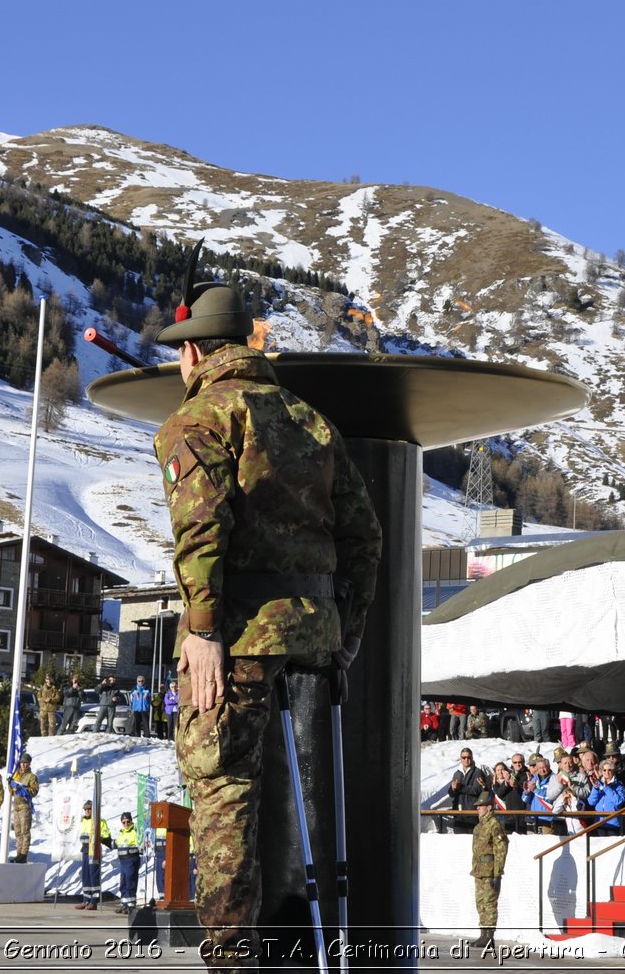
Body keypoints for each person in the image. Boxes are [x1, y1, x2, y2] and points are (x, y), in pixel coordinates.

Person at [154, 282, 381, 970]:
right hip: (311, 635)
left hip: (238, 636)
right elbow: (364, 535)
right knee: (302, 794)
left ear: (194, 351)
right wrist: (347, 631)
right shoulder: (310, 423)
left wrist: (201, 630)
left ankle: (231, 959)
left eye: (179, 355)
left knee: (221, 788)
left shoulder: (195, 422)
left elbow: (202, 530)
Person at [468, 789, 507, 951]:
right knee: (481, 903)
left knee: (489, 903)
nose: (478, 808)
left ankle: (489, 936)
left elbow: (501, 849)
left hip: (490, 870)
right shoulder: (479, 825)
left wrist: (498, 872)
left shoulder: (494, 825)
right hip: (478, 870)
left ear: (489, 807)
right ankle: (483, 934)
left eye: (481, 806)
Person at [74, 798, 110, 910]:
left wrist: (101, 837)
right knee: (85, 876)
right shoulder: (83, 820)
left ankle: (93, 901)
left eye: (89, 809)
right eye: (85, 809)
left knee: (93, 875)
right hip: (85, 850)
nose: (87, 811)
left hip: (94, 850)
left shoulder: (99, 821)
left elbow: (106, 834)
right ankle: (86, 899)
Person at [448, 748, 490, 834]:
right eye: (464, 757)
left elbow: (476, 790)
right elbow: (451, 794)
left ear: (472, 758)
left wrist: (460, 787)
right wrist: (453, 788)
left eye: (468, 757)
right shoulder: (457, 773)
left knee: (471, 841)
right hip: (458, 813)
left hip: (472, 813)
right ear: (460, 758)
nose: (466, 759)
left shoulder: (478, 772)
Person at [10, 752, 38, 862]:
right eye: (22, 763)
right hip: (16, 807)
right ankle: (19, 853)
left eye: (25, 763)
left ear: (29, 764)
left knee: (25, 831)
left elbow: (34, 791)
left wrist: (23, 789)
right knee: (17, 831)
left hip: (25, 806)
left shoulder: (31, 777)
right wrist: (10, 784)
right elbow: (11, 791)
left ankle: (23, 854)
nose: (23, 765)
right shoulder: (16, 775)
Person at [114, 811, 142, 914]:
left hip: (131, 860)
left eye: (128, 821)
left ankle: (131, 905)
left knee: (131, 881)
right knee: (123, 882)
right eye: (124, 822)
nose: (126, 824)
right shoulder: (122, 832)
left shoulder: (135, 832)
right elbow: (116, 844)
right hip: (123, 861)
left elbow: (141, 844)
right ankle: (124, 903)